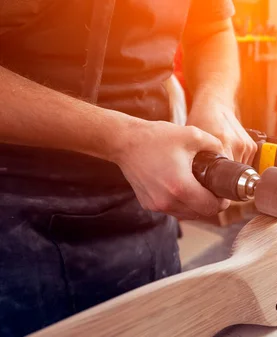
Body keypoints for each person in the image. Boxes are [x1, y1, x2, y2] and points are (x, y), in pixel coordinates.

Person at [0, 1, 257, 336]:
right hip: (15, 211)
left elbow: (212, 29)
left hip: (145, 198)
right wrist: (121, 139)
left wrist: (216, 101)